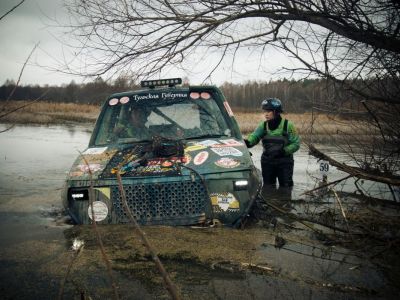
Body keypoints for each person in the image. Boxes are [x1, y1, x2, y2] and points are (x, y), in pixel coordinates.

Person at [244, 98, 300, 190]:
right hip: (267, 162)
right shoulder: (263, 125)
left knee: (286, 188)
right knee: (268, 187)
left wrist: (284, 151)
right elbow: (254, 136)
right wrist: (248, 142)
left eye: (269, 111)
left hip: (284, 162)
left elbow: (296, 143)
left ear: (276, 112)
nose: (266, 114)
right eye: (265, 111)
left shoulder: (288, 125)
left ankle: (285, 202)